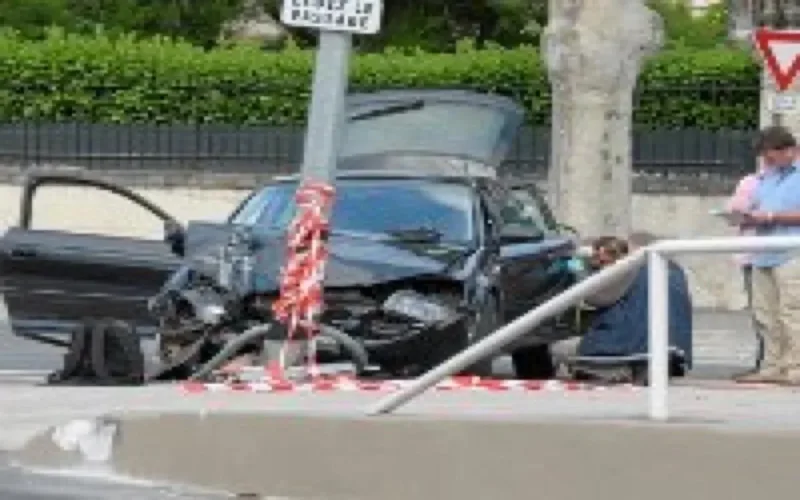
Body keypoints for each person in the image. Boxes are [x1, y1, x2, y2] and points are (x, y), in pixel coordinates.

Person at [552, 232, 694, 381]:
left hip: (628, 345)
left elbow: (595, 298)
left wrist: (577, 268)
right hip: (674, 346)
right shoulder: (674, 270)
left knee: (558, 350)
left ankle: (617, 370)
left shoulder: (627, 268)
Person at [734, 125, 800, 384]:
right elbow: (759, 207)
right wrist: (747, 217)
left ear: (789, 150)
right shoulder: (769, 177)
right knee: (765, 314)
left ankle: (795, 367)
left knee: (792, 311)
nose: (767, 162)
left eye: (771, 157)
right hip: (764, 251)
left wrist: (772, 216)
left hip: (792, 252)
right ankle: (772, 365)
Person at [725, 162, 767, 375]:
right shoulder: (750, 181)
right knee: (759, 311)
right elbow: (734, 212)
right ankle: (763, 361)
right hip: (751, 254)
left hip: (780, 252)